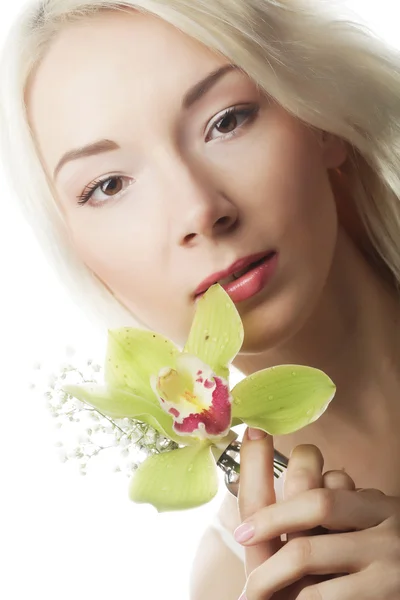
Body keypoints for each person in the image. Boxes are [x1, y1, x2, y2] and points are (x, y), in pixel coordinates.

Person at [1, 1, 400, 598]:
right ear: (82, 256)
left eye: (227, 120)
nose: (199, 210)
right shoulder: (243, 580)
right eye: (108, 186)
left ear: (318, 118)